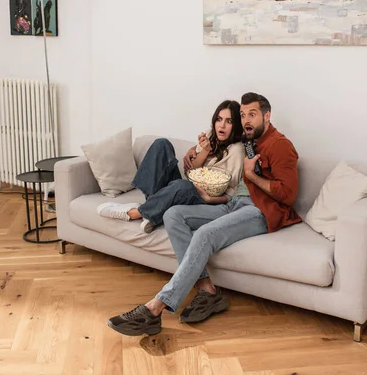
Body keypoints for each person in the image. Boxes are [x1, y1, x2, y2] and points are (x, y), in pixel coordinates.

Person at [107, 92, 302, 336]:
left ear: (267, 115)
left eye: (252, 114)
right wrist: (197, 151)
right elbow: (219, 157)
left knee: (206, 234)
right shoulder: (252, 140)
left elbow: (288, 194)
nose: (246, 120)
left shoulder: (280, 145)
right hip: (234, 205)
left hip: (259, 211)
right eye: (243, 115)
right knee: (173, 215)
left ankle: (155, 308)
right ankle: (208, 290)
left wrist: (251, 176)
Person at [97, 100, 245, 234]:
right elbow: (192, 172)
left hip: (204, 201)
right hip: (186, 189)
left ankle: (134, 213)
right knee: (161, 144)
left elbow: (230, 195)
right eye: (219, 119)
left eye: (229, 121)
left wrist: (207, 198)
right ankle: (154, 209)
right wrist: (204, 151)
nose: (222, 125)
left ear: (236, 125)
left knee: (183, 185)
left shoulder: (237, 150)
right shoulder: (210, 135)